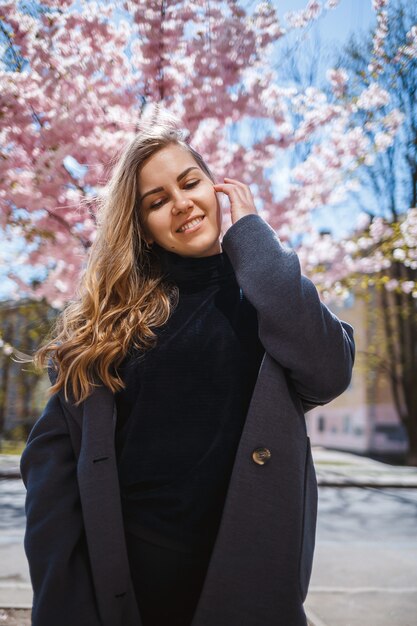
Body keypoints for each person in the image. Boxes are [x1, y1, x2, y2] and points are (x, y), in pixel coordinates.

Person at [20, 116, 355, 626]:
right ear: (144, 230)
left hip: (250, 579)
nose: (180, 203)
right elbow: (51, 479)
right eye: (156, 202)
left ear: (215, 187)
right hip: (135, 584)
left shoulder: (271, 297)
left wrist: (253, 240)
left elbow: (329, 370)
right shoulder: (109, 328)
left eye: (190, 182)